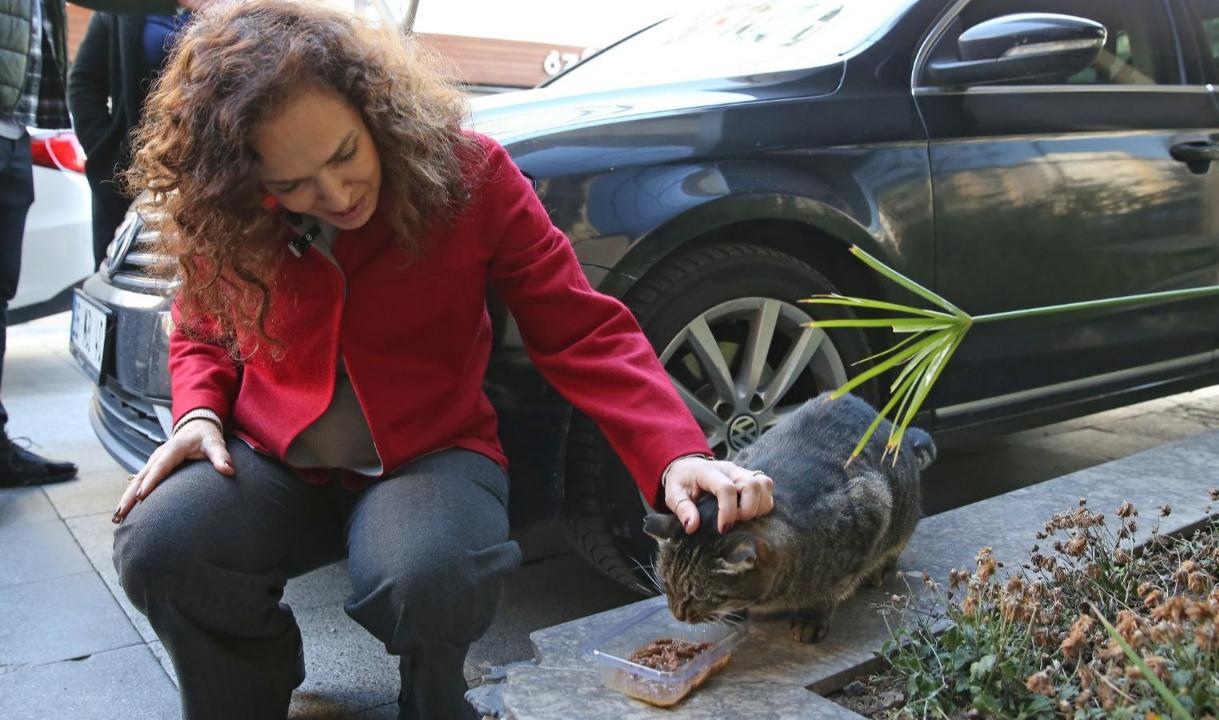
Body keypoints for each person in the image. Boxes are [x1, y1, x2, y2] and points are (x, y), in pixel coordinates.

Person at [110, 2, 776, 718]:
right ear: (245, 177)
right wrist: (199, 412)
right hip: (274, 459)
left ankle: (433, 702)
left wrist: (675, 452)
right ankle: (248, 685)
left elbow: (582, 328)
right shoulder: (233, 212)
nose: (333, 195)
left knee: (431, 576)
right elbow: (201, 324)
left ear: (374, 112)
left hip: (431, 455)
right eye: (294, 185)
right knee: (159, 543)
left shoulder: (472, 176)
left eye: (343, 155)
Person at [0, 0, 200, 489]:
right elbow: (84, 84)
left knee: (199, 326)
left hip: (211, 191)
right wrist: (111, 163)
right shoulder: (120, 11)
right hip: (131, 195)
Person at [68, 5, 193, 266]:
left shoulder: (234, 8)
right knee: (119, 280)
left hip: (204, 177)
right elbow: (84, 82)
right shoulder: (119, 10)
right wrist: (104, 148)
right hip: (129, 177)